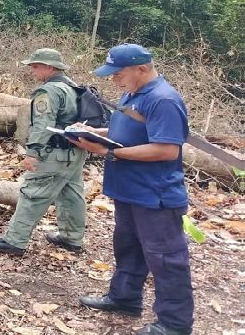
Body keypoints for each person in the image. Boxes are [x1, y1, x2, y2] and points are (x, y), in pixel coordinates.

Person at [72, 43, 193, 335]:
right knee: (128, 248)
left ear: (142, 68)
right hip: (128, 190)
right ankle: (124, 298)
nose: (113, 79)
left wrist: (109, 153)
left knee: (166, 259)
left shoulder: (163, 99)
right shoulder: (132, 93)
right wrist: (92, 133)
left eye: (118, 73)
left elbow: (166, 150)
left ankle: (175, 324)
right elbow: (127, 131)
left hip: (155, 195)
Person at [0, 48, 87, 255]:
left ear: (49, 67)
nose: (32, 71)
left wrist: (33, 152)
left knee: (33, 193)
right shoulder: (73, 87)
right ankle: (72, 238)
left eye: (35, 66)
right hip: (74, 152)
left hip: (54, 154)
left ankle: (14, 241)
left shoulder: (48, 91)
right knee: (71, 194)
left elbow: (42, 124)